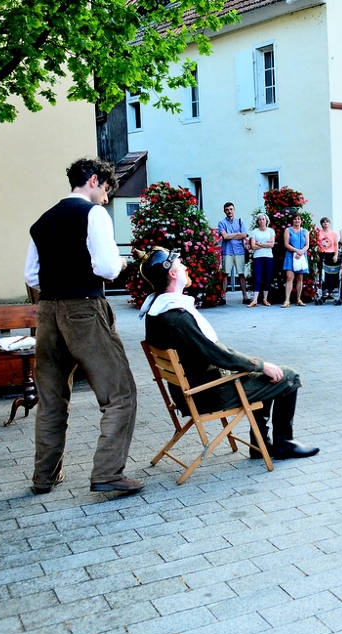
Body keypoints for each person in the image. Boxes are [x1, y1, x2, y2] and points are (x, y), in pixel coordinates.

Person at [25, 157, 141, 494]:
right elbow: (106, 268)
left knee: (51, 399)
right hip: (85, 310)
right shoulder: (94, 214)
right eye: (105, 190)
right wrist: (122, 264)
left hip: (47, 312)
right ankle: (107, 472)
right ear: (93, 180)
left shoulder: (42, 221)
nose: (105, 198)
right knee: (120, 393)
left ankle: (44, 476)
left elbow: (31, 276)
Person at [139, 248, 319, 461]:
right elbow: (218, 355)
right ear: (172, 273)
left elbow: (212, 353)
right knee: (288, 377)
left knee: (263, 374)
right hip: (208, 393)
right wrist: (261, 365)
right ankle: (283, 444)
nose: (185, 267)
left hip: (188, 391)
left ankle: (260, 445)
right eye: (180, 265)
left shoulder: (156, 312)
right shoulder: (177, 317)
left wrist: (256, 366)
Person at [217, 201, 251, 304]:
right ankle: (223, 298)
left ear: (234, 210)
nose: (229, 211)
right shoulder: (222, 223)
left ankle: (245, 297)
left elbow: (244, 235)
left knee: (241, 274)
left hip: (239, 251)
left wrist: (230, 235)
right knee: (225, 274)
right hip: (227, 251)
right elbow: (225, 236)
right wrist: (237, 234)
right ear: (224, 211)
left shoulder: (240, 221)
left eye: (231, 209)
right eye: (227, 210)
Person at [247, 213, 275, 307]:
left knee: (267, 278)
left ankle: (265, 299)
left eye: (263, 219)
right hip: (257, 257)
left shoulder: (271, 231)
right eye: (259, 219)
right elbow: (253, 246)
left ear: (266, 221)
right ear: (257, 221)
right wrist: (265, 244)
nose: (261, 221)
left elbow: (272, 244)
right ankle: (255, 300)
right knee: (257, 278)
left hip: (268, 257)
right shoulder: (254, 232)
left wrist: (260, 244)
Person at [281, 214, 309, 307]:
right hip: (290, 255)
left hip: (301, 256)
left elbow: (307, 245)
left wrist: (301, 252)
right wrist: (297, 251)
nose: (297, 220)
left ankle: (298, 299)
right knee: (289, 277)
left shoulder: (305, 231)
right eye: (295, 219)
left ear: (301, 221)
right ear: (292, 220)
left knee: (300, 278)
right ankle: (287, 300)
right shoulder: (288, 230)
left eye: (299, 219)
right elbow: (286, 244)